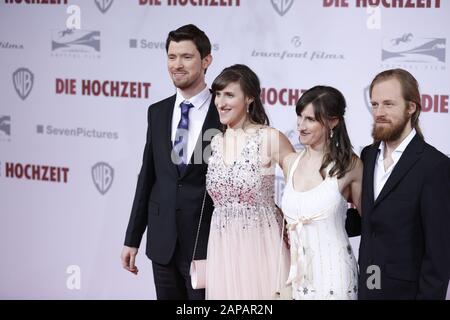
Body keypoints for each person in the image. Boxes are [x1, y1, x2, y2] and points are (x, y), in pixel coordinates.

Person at [121, 24, 220, 300]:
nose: (177, 65)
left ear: (206, 60)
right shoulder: (157, 111)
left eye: (187, 57)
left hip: (207, 246)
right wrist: (132, 239)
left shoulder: (223, 113)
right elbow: (147, 178)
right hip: (162, 242)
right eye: (172, 56)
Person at [358, 68, 450, 300]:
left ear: (411, 108)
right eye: (375, 104)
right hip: (369, 284)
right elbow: (369, 217)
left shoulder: (434, 165)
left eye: (389, 104)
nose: (379, 112)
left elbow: (439, 252)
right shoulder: (368, 156)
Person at [205, 64, 293, 299]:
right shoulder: (214, 142)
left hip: (261, 250)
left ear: (250, 98)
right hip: (222, 251)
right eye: (218, 94)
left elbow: (301, 184)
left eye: (229, 95)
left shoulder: (269, 138)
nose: (220, 102)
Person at [280, 85, 363, 300]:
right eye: (299, 117)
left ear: (333, 121)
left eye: (310, 119)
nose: (301, 125)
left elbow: (370, 221)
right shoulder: (291, 163)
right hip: (300, 279)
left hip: (336, 277)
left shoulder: (349, 165)